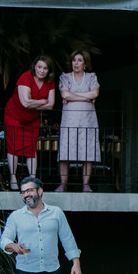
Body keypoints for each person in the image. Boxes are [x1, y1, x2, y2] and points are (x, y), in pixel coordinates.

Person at [4, 55, 56, 191]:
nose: (42, 70)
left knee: (31, 149)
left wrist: (34, 103)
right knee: (14, 146)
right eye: (39, 67)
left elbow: (51, 105)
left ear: (49, 70)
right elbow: (25, 102)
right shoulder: (25, 77)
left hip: (32, 119)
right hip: (13, 115)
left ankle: (33, 178)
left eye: (45, 68)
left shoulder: (50, 82)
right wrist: (42, 101)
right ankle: (13, 177)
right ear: (34, 67)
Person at [57, 50, 101, 192]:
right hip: (69, 119)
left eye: (80, 60)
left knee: (87, 151)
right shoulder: (65, 77)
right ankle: (63, 184)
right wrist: (86, 98)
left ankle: (86, 184)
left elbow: (95, 93)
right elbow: (64, 94)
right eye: (74, 60)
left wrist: (72, 96)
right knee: (65, 152)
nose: (76, 63)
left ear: (85, 63)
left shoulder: (91, 77)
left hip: (87, 120)